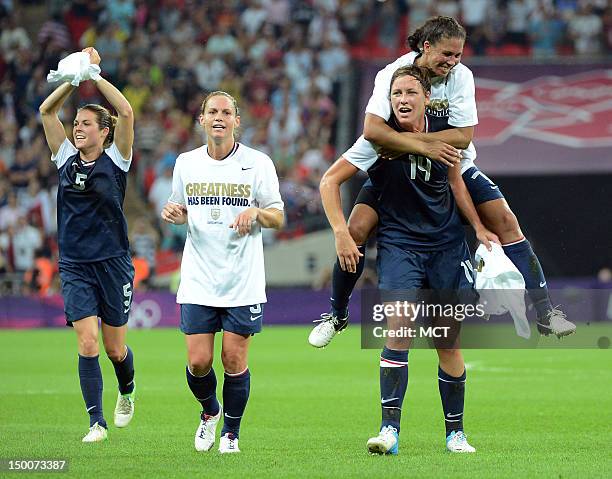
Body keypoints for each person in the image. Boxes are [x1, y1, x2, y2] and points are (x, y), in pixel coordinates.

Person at [308, 16, 574, 348]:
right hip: (396, 172)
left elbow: (463, 137)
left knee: (506, 221)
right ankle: (337, 314)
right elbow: (373, 130)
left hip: (449, 167)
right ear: (426, 46)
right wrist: (422, 144)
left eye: (457, 55)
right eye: (446, 54)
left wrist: (417, 144)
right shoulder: (392, 74)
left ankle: (546, 313)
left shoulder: (461, 77)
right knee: (356, 228)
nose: (451, 62)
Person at [320, 65, 483, 454]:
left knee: (448, 342)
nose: (403, 100)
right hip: (399, 245)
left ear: (427, 97)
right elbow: (330, 180)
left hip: (445, 246)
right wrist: (342, 233)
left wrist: (480, 229)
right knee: (399, 329)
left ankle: (455, 434)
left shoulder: (449, 136)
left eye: (411, 93)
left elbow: (459, 183)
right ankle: (389, 430)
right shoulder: (377, 138)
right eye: (396, 95)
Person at [161, 91, 284, 454]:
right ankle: (209, 411)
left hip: (241, 279)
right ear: (201, 120)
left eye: (226, 112)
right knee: (198, 362)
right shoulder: (186, 163)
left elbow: (277, 215)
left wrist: (257, 214)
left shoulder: (258, 163)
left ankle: (231, 433)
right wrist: (175, 213)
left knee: (233, 359)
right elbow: (181, 206)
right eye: (212, 111)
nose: (219, 117)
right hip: (199, 277)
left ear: (236, 120)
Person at [39, 47, 136, 442]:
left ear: (104, 131)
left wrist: (94, 77)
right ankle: (96, 421)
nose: (77, 128)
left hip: (113, 263)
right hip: (75, 265)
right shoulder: (64, 157)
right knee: (87, 340)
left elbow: (127, 112)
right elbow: (47, 112)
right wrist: (70, 81)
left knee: (116, 350)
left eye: (85, 123)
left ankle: (127, 390)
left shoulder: (118, 160)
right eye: (76, 122)